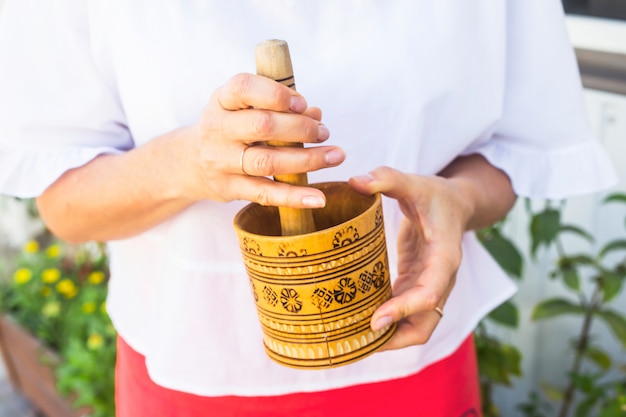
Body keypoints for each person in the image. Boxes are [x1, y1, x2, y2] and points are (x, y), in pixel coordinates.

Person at [0, 1, 617, 416]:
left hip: (411, 369)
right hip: (193, 379)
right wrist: (189, 163)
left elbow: (516, 150)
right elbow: (67, 203)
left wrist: (457, 201)